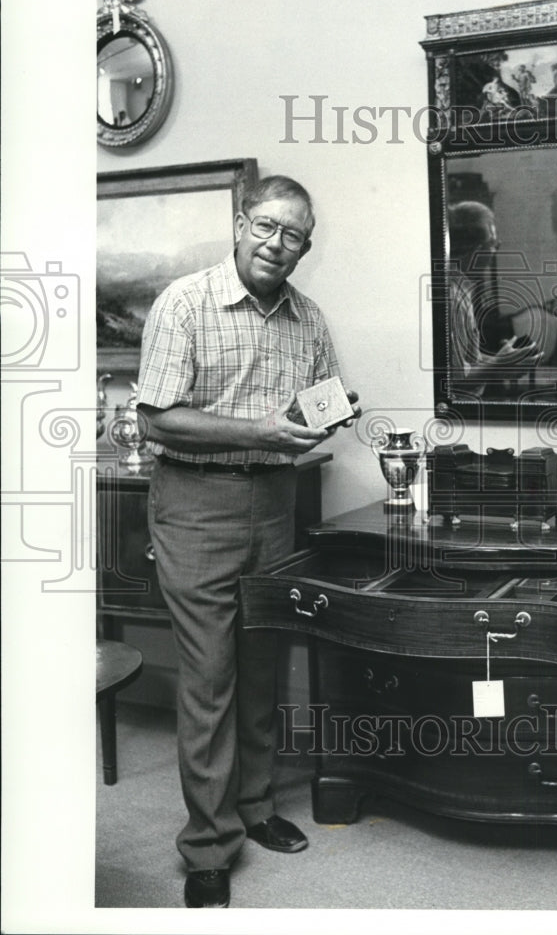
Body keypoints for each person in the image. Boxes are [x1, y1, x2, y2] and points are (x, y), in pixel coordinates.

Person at [135, 174, 360, 909]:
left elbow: (314, 405)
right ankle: (208, 843)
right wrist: (263, 429)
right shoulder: (185, 304)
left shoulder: (309, 318)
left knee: (262, 665)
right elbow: (157, 420)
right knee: (210, 680)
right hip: (197, 504)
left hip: (276, 504)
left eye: (293, 235)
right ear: (240, 224)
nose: (277, 244)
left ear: (306, 247)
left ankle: (256, 806)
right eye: (266, 226)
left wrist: (326, 412)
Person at [446, 200, 542, 398]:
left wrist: (504, 360)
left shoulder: (462, 290)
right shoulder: (452, 298)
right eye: (492, 244)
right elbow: (454, 382)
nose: (495, 251)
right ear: (475, 249)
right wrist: (499, 364)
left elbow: (468, 362)